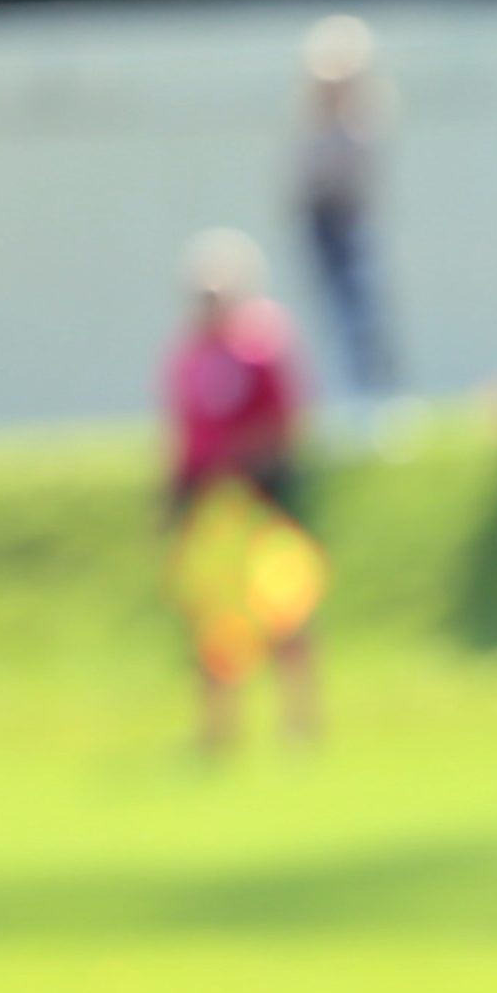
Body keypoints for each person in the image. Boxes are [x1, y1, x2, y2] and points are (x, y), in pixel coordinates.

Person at [162, 229, 321, 755]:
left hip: (261, 494)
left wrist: (249, 467)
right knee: (213, 617)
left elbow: (284, 422)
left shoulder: (261, 347)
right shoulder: (189, 357)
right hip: (209, 501)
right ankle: (218, 729)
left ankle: (299, 721)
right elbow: (185, 435)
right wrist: (175, 495)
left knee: (284, 608)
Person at [293, 15, 396, 414]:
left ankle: (374, 395)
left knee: (363, 313)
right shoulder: (312, 130)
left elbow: (354, 178)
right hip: (323, 229)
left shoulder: (358, 125)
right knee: (336, 314)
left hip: (350, 226)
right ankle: (348, 395)